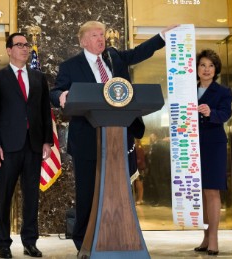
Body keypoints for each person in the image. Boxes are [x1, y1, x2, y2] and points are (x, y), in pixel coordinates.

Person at [50, 20, 176, 251]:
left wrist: (161, 36)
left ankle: (117, 237)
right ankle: (83, 243)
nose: (101, 39)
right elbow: (56, 90)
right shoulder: (71, 66)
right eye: (96, 35)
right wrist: (60, 96)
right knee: (87, 194)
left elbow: (138, 53)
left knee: (118, 192)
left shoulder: (113, 56)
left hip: (119, 137)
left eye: (103, 35)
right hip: (87, 140)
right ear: (83, 41)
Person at [0, 32, 53, 259]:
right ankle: (3, 243)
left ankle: (30, 242)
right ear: (8, 50)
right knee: (4, 196)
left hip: (34, 146)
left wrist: (47, 140)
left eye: (26, 45)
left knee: (31, 196)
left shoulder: (38, 77)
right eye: (19, 45)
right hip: (7, 147)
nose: (24, 49)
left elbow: (45, 111)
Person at [193, 49, 232, 256]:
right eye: (202, 65)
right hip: (191, 145)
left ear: (216, 69)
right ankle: (206, 236)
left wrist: (211, 113)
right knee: (200, 192)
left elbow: (226, 114)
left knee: (212, 190)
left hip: (214, 144)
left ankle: (215, 238)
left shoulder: (223, 91)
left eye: (210, 65)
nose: (206, 69)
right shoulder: (188, 90)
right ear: (196, 68)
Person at [134, 139, 146, 205]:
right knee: (137, 183)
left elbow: (140, 159)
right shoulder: (136, 148)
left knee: (139, 184)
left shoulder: (139, 149)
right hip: (138, 168)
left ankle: (140, 199)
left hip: (140, 168)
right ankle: (139, 199)